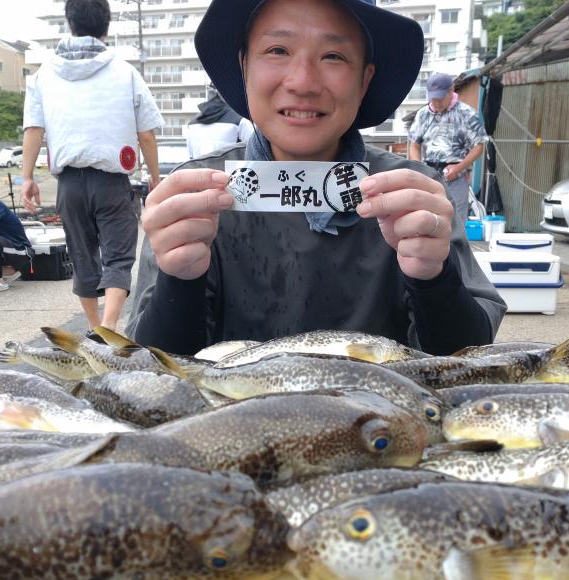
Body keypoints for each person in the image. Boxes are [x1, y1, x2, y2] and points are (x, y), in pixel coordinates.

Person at [130, 0, 506, 356]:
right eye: (277, 50)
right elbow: (154, 371)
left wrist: (434, 280)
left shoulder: (413, 194)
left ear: (364, 80)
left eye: (333, 56)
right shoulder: (197, 194)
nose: (303, 82)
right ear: (244, 66)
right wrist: (179, 281)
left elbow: (468, 358)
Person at [20, 0, 164, 332]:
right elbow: (146, 134)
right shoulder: (124, 71)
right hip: (112, 182)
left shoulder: (43, 75)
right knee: (118, 256)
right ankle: (110, 326)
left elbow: (34, 130)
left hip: (69, 184)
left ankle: (93, 323)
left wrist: (27, 177)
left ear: (69, 24)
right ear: (106, 27)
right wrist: (155, 178)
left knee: (82, 257)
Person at [408, 72, 488, 225]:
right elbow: (414, 145)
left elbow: (479, 146)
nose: (436, 103)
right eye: (433, 98)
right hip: (429, 175)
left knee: (455, 222)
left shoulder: (467, 114)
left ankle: (455, 250)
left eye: (441, 98)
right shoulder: (423, 114)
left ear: (451, 91)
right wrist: (419, 168)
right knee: (428, 219)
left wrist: (458, 168)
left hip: (457, 177)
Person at [186, 83, 256, 160]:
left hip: (198, 170)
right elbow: (254, 152)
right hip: (229, 171)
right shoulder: (240, 120)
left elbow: (191, 157)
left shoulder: (192, 124)